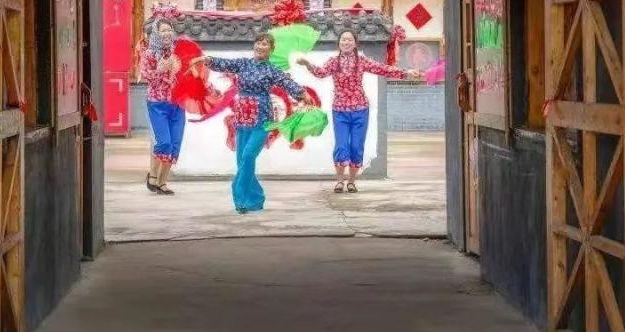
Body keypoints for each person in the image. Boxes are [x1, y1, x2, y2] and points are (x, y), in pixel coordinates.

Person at [191, 33, 312, 213]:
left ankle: (240, 199)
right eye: (258, 43)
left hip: (262, 119)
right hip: (242, 117)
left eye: (265, 44)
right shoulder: (243, 64)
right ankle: (255, 198)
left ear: (271, 50)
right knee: (242, 161)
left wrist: (303, 94)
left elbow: (287, 83)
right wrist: (207, 60)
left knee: (248, 156)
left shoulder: (272, 70)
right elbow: (225, 63)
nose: (260, 47)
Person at [297, 30, 421, 193]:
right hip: (340, 110)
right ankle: (340, 181)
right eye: (343, 39)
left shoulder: (361, 61)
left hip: (360, 109)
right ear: (339, 43)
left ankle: (352, 181)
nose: (346, 42)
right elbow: (320, 73)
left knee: (356, 147)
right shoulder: (334, 62)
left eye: (349, 40)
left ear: (355, 43)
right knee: (342, 146)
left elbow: (382, 69)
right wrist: (307, 64)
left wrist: (405, 73)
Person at [139, 18, 185, 195]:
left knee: (174, 145)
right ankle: (152, 175)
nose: (167, 33)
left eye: (169, 29)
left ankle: (162, 182)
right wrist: (160, 70)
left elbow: (187, 76)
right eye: (163, 30)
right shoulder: (149, 54)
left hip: (177, 103)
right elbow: (146, 76)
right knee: (164, 143)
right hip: (157, 103)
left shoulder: (177, 52)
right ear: (156, 34)